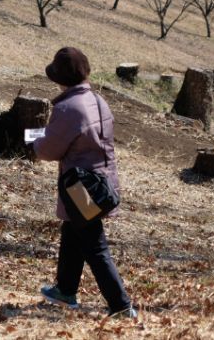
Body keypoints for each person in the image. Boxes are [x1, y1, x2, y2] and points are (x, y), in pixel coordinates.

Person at [32, 47, 136, 319]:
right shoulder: (97, 99)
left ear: (60, 77)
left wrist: (34, 140)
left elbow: (48, 150)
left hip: (82, 188)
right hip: (103, 183)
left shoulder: (68, 108)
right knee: (73, 230)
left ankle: (121, 305)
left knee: (94, 245)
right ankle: (65, 290)